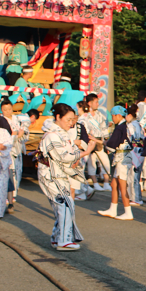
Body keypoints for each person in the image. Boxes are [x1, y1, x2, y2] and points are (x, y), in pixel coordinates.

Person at [38, 103, 94, 251]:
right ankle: (63, 240)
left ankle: (58, 238)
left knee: (63, 205)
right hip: (51, 174)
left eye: (72, 120)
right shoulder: (52, 135)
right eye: (68, 119)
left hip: (59, 173)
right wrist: (85, 152)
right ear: (58, 117)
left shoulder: (61, 133)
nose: (71, 123)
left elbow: (70, 153)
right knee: (64, 205)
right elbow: (64, 156)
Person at [99, 106, 134, 220]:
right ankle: (112, 209)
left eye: (113, 116)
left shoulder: (120, 127)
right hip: (125, 156)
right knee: (114, 184)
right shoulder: (127, 125)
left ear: (118, 115)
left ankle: (128, 212)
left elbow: (111, 144)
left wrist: (104, 143)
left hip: (122, 158)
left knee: (122, 185)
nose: (112, 118)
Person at [0, 98, 29, 212]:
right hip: (8, 150)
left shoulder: (16, 119)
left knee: (18, 172)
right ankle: (8, 195)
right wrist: (16, 134)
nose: (7, 111)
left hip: (18, 148)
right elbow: (7, 135)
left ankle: (14, 193)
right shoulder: (2, 120)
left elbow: (24, 131)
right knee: (10, 173)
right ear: (1, 110)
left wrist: (21, 134)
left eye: (9, 109)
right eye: (5, 109)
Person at [80, 94, 112, 192]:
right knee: (91, 162)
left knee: (105, 161)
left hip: (99, 141)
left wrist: (106, 139)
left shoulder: (100, 115)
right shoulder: (85, 116)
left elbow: (104, 128)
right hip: (89, 141)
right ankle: (95, 183)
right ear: (89, 103)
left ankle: (106, 183)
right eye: (96, 102)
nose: (98, 104)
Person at [127, 104, 145, 206]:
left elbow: (131, 139)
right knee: (137, 176)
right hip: (140, 151)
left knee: (132, 177)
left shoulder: (131, 126)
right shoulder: (139, 125)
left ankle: (136, 198)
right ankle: (135, 197)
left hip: (133, 151)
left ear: (129, 115)